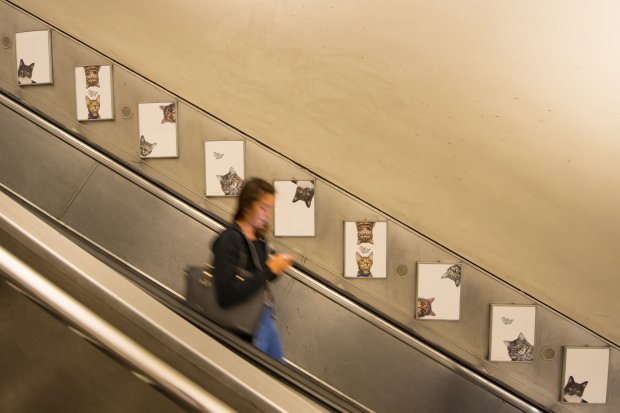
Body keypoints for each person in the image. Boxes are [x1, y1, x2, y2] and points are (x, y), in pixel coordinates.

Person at [211, 178, 292, 362]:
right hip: (243, 325)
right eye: (263, 208)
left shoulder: (260, 241)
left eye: (270, 209)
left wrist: (275, 269)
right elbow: (225, 296)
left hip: (262, 318)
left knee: (277, 374)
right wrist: (269, 270)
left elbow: (257, 281)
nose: (267, 214)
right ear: (247, 206)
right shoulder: (230, 240)